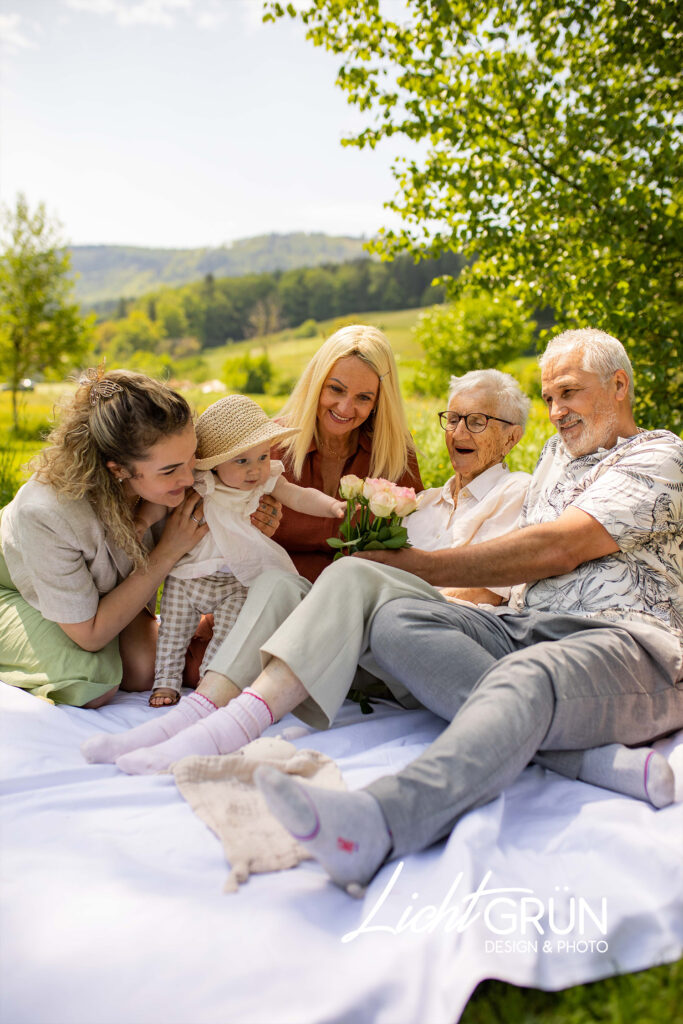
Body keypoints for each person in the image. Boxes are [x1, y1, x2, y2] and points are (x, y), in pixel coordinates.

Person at [248, 328, 683, 894]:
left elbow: (559, 548)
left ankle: (376, 823)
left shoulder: (660, 455)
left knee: (525, 677)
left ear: (619, 385)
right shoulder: (555, 457)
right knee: (391, 620)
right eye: (549, 398)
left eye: (569, 393)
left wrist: (424, 565)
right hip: (522, 626)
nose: (556, 412)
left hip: (626, 641)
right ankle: (586, 759)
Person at [81, 368, 532, 766]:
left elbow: (485, 592)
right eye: (452, 419)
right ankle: (196, 714)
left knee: (351, 573)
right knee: (280, 582)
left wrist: (369, 601)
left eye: (477, 421)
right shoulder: (424, 502)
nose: (458, 432)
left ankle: (217, 729)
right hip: (367, 640)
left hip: (426, 636)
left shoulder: (517, 491)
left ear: (513, 436)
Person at [0, 369, 208, 708]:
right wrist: (167, 551)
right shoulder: (46, 512)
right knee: (94, 682)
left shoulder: (164, 474)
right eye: (170, 470)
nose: (189, 477)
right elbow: (91, 636)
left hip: (98, 592)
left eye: (192, 458)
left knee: (143, 671)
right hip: (13, 584)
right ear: (118, 469)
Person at [150, 394, 346, 707]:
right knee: (173, 631)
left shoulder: (265, 480)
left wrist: (332, 506)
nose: (255, 469)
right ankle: (165, 684)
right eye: (241, 461)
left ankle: (209, 685)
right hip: (188, 576)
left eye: (263, 456)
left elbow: (299, 496)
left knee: (230, 635)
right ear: (214, 463)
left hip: (235, 579)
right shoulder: (201, 482)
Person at [267, 324, 423, 581]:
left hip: (355, 600)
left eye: (363, 398)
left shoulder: (396, 456)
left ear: (378, 402)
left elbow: (414, 540)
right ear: (316, 384)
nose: (345, 408)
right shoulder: (270, 446)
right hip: (273, 592)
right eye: (336, 389)